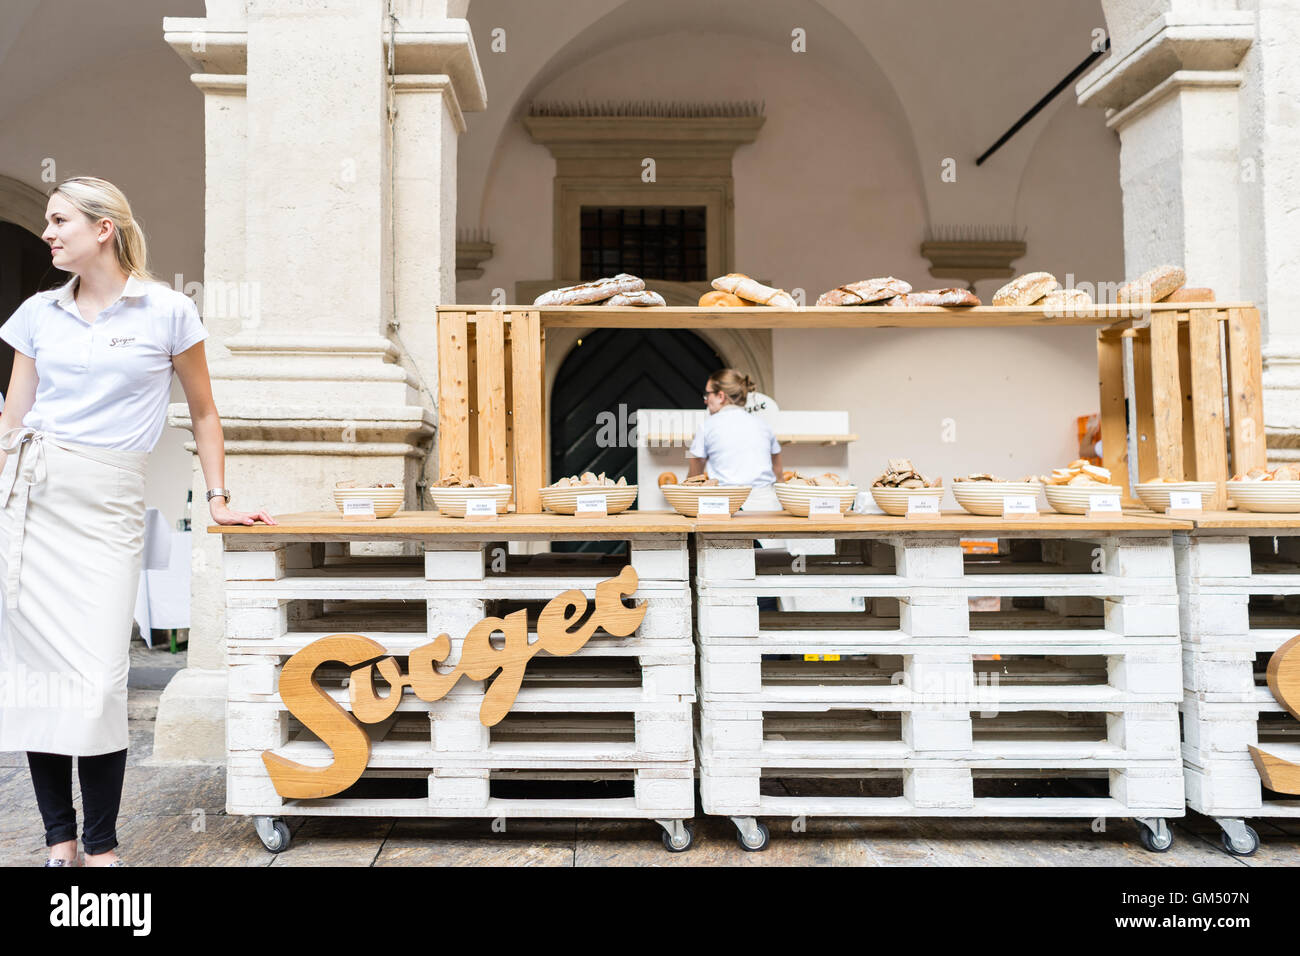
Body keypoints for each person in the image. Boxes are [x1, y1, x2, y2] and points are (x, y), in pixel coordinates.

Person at [0, 176, 276, 867]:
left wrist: (218, 497)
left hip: (108, 507)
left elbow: (205, 413)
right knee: (41, 680)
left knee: (97, 678)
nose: (48, 232)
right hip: (33, 499)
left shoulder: (168, 311)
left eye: (60, 219)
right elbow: (13, 423)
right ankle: (61, 842)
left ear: (104, 228)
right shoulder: (36, 313)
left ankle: (102, 843)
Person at [687, 368, 783, 509]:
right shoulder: (763, 425)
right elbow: (779, 476)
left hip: (728, 507)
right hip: (768, 507)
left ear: (721, 396)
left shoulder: (707, 426)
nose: (706, 401)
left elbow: (693, 481)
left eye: (708, 394)